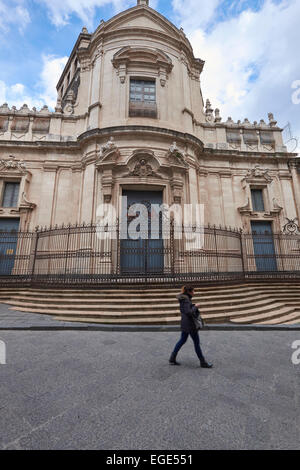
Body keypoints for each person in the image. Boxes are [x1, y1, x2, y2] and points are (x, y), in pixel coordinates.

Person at [169, 285, 213, 368]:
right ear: (189, 292)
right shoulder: (185, 300)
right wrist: (195, 307)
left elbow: (185, 309)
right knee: (196, 343)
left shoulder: (184, 299)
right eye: (193, 291)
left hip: (185, 323)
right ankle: (202, 362)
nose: (194, 293)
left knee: (182, 340)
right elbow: (188, 312)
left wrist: (192, 305)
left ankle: (172, 358)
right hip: (190, 324)